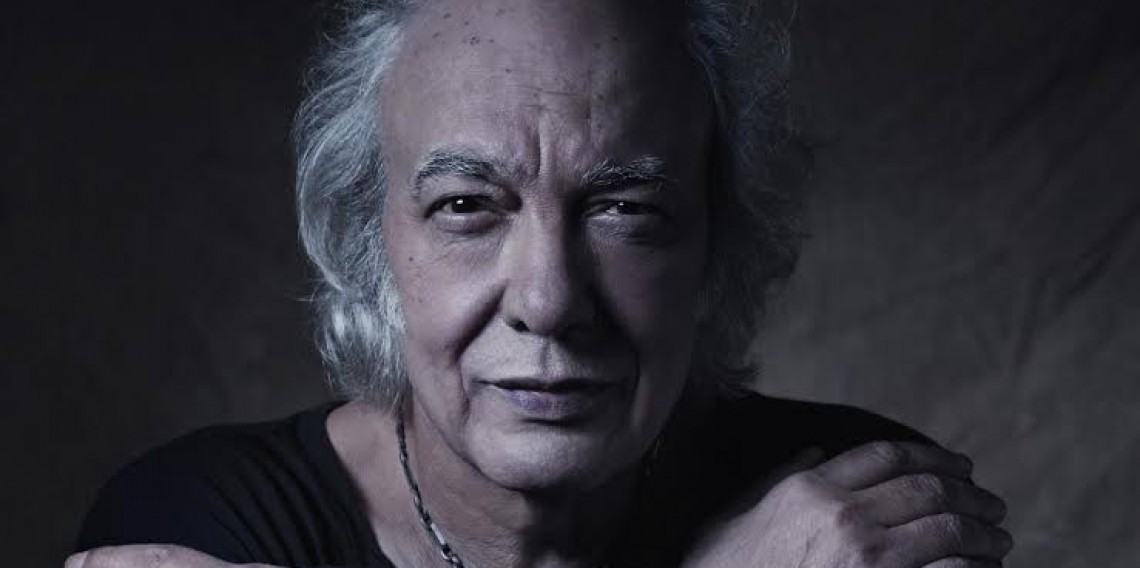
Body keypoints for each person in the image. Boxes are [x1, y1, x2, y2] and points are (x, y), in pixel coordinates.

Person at [67, 0, 1013, 567]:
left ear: (715, 244)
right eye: (467, 206)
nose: (550, 300)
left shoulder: (857, 509)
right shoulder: (200, 522)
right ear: (370, 241)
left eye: (626, 209)